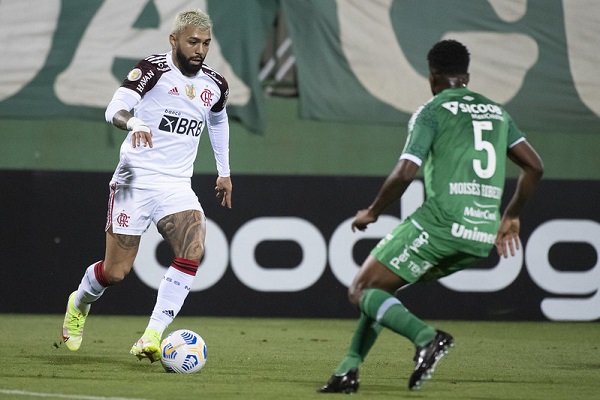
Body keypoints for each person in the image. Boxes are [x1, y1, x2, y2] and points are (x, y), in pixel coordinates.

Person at [318, 39, 543, 393]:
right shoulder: (498, 113)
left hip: (442, 223)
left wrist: (372, 212)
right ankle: (347, 370)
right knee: (380, 290)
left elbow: (405, 172)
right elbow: (534, 166)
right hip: (480, 235)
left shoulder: (433, 111)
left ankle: (427, 337)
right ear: (467, 76)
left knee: (360, 290)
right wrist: (512, 215)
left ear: (432, 75)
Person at [59, 9, 232, 363]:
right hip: (135, 180)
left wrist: (224, 171)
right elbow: (115, 108)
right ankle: (79, 303)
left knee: (193, 248)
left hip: (176, 184)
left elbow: (218, 120)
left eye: (206, 43)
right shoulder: (152, 70)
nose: (200, 50)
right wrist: (134, 122)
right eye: (193, 42)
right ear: (174, 40)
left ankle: (152, 335)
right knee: (115, 272)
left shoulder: (215, 84)